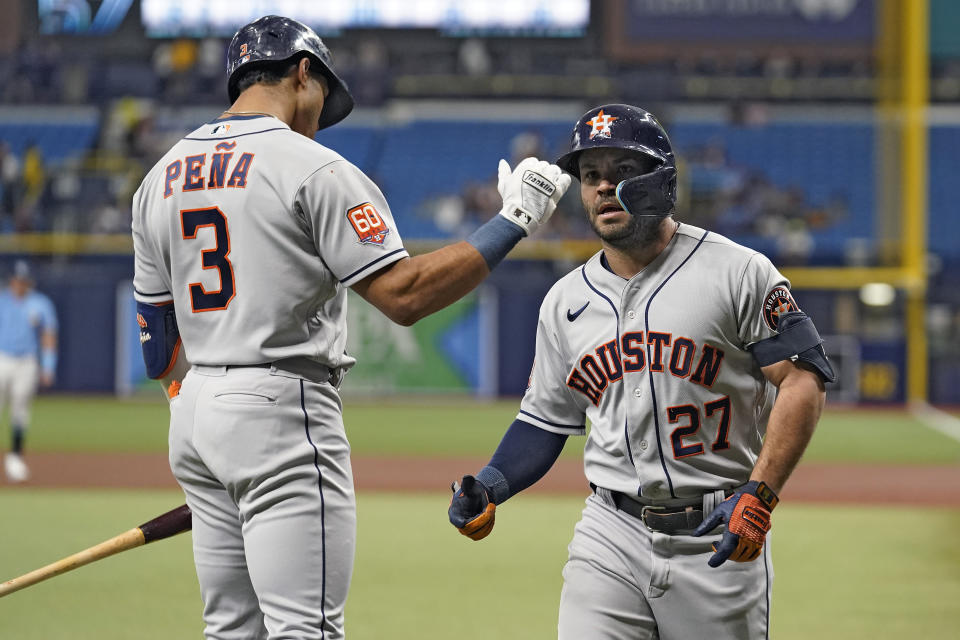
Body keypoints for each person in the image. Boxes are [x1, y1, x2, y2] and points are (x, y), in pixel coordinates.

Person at [130, 15, 570, 640]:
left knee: (230, 629)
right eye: (321, 101)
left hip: (195, 417)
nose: (318, 117)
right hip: (279, 412)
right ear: (303, 72)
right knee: (306, 629)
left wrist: (199, 408)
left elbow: (156, 342)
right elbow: (404, 295)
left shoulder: (160, 176)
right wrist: (516, 219)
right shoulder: (313, 167)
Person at [448, 104, 836, 639]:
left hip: (717, 535)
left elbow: (803, 379)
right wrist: (491, 484)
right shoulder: (565, 301)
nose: (604, 188)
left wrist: (761, 494)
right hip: (609, 532)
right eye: (590, 176)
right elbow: (544, 420)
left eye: (622, 172)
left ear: (663, 180)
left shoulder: (738, 271)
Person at [0, 259, 58, 483]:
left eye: (23, 280)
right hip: (2, 358)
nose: (20, 284)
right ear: (11, 280)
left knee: (20, 410)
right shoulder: (3, 300)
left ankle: (14, 457)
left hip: (26, 361)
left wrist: (49, 365)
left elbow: (49, 334)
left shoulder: (39, 303)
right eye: (17, 280)